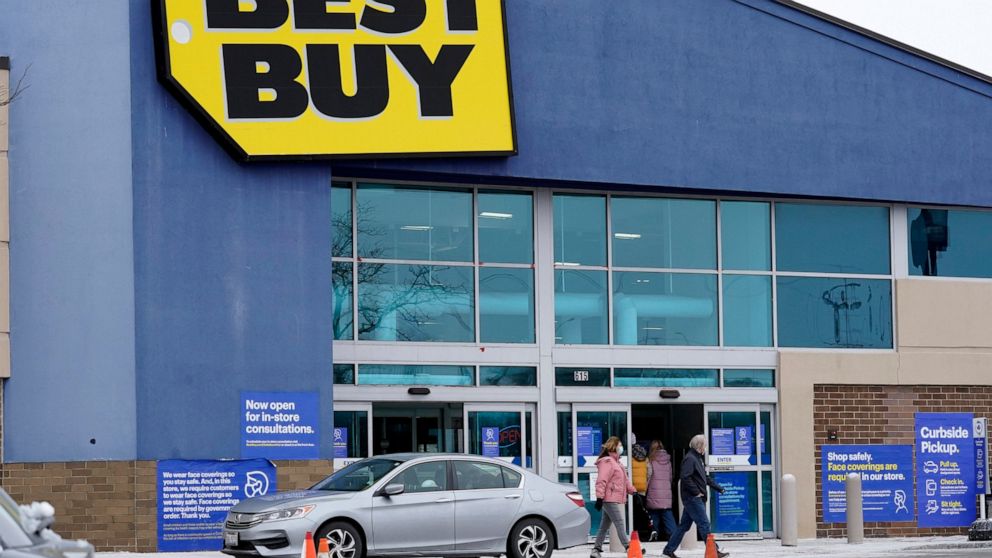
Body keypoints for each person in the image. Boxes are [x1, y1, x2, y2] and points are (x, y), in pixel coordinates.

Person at [663, 434, 729, 558]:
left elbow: (704, 477)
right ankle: (714, 551)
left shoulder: (697, 458)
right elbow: (685, 477)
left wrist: (719, 488)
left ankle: (668, 550)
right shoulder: (690, 459)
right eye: (705, 445)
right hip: (693, 498)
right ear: (700, 446)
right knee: (704, 524)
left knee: (683, 526)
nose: (706, 447)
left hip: (693, 498)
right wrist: (696, 492)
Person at [590, 436, 637, 558]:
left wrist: (633, 491)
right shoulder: (607, 462)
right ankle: (629, 547)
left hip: (611, 498)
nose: (621, 447)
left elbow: (625, 480)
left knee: (604, 526)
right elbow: (601, 480)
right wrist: (599, 497)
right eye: (619, 445)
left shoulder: (617, 463)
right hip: (608, 498)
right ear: (614, 446)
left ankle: (596, 550)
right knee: (619, 522)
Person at [645, 440, 677, 542]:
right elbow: (670, 478)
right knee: (667, 514)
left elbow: (648, 477)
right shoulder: (668, 461)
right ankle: (673, 535)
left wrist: (644, 490)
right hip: (666, 493)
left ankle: (654, 533)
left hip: (654, 492)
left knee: (654, 514)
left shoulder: (651, 461)